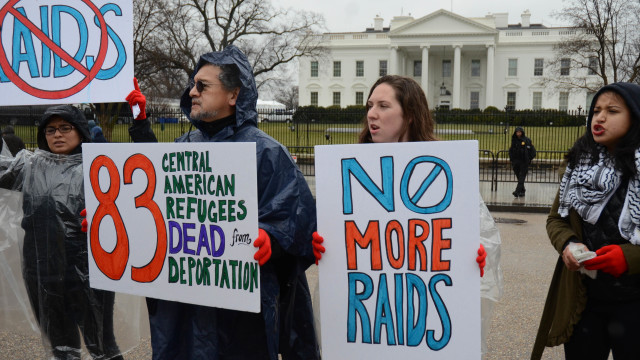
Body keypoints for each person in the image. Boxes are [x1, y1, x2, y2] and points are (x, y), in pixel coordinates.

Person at [125, 45, 320, 360]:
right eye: (193, 84)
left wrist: (272, 239)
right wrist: (113, 221)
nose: (192, 92)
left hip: (242, 320)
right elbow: (157, 206)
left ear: (233, 94)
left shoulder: (268, 153)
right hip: (185, 312)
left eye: (202, 85)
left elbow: (299, 226)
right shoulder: (183, 146)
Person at [313, 75, 503, 355]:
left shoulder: (443, 172)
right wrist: (320, 245)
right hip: (370, 325)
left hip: (425, 326)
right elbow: (338, 238)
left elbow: (480, 238)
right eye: (370, 106)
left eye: (383, 106)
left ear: (410, 115)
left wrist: (474, 257)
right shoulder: (349, 175)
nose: (371, 114)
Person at [0, 105, 123, 359]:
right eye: (51, 129)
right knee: (61, 346)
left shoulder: (99, 169)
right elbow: (3, 173)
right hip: (42, 271)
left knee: (101, 344)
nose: (57, 134)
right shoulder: (30, 166)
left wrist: (106, 217)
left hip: (88, 270)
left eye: (65, 128)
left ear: (79, 130)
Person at [532, 82, 640, 359]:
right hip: (585, 297)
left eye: (612, 111)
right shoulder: (579, 166)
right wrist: (568, 244)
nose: (600, 118)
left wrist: (629, 257)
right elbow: (557, 219)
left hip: (634, 301)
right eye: (596, 111)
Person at [508, 126, 536, 197]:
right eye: (517, 132)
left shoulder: (527, 140)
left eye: (520, 132)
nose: (518, 134)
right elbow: (511, 150)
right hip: (516, 162)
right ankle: (522, 190)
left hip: (524, 162)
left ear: (522, 132)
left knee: (522, 177)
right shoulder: (514, 140)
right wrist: (512, 159)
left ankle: (517, 191)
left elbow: (533, 151)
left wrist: (529, 158)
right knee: (518, 176)